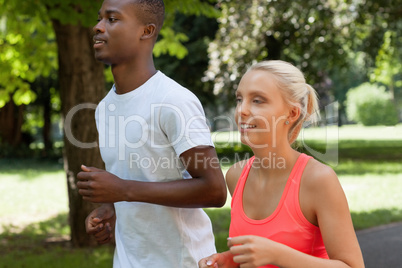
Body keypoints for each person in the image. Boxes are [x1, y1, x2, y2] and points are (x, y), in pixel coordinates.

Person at [76, 0, 227, 267]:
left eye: (112, 19)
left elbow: (214, 190)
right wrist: (110, 209)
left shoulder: (173, 100)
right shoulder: (104, 108)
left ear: (146, 31)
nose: (97, 27)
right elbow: (133, 180)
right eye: (99, 19)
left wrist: (122, 190)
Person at [199, 60, 365, 268]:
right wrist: (231, 260)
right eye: (240, 99)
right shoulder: (236, 176)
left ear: (292, 113)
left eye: (258, 101)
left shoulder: (317, 180)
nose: (241, 110)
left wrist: (277, 255)